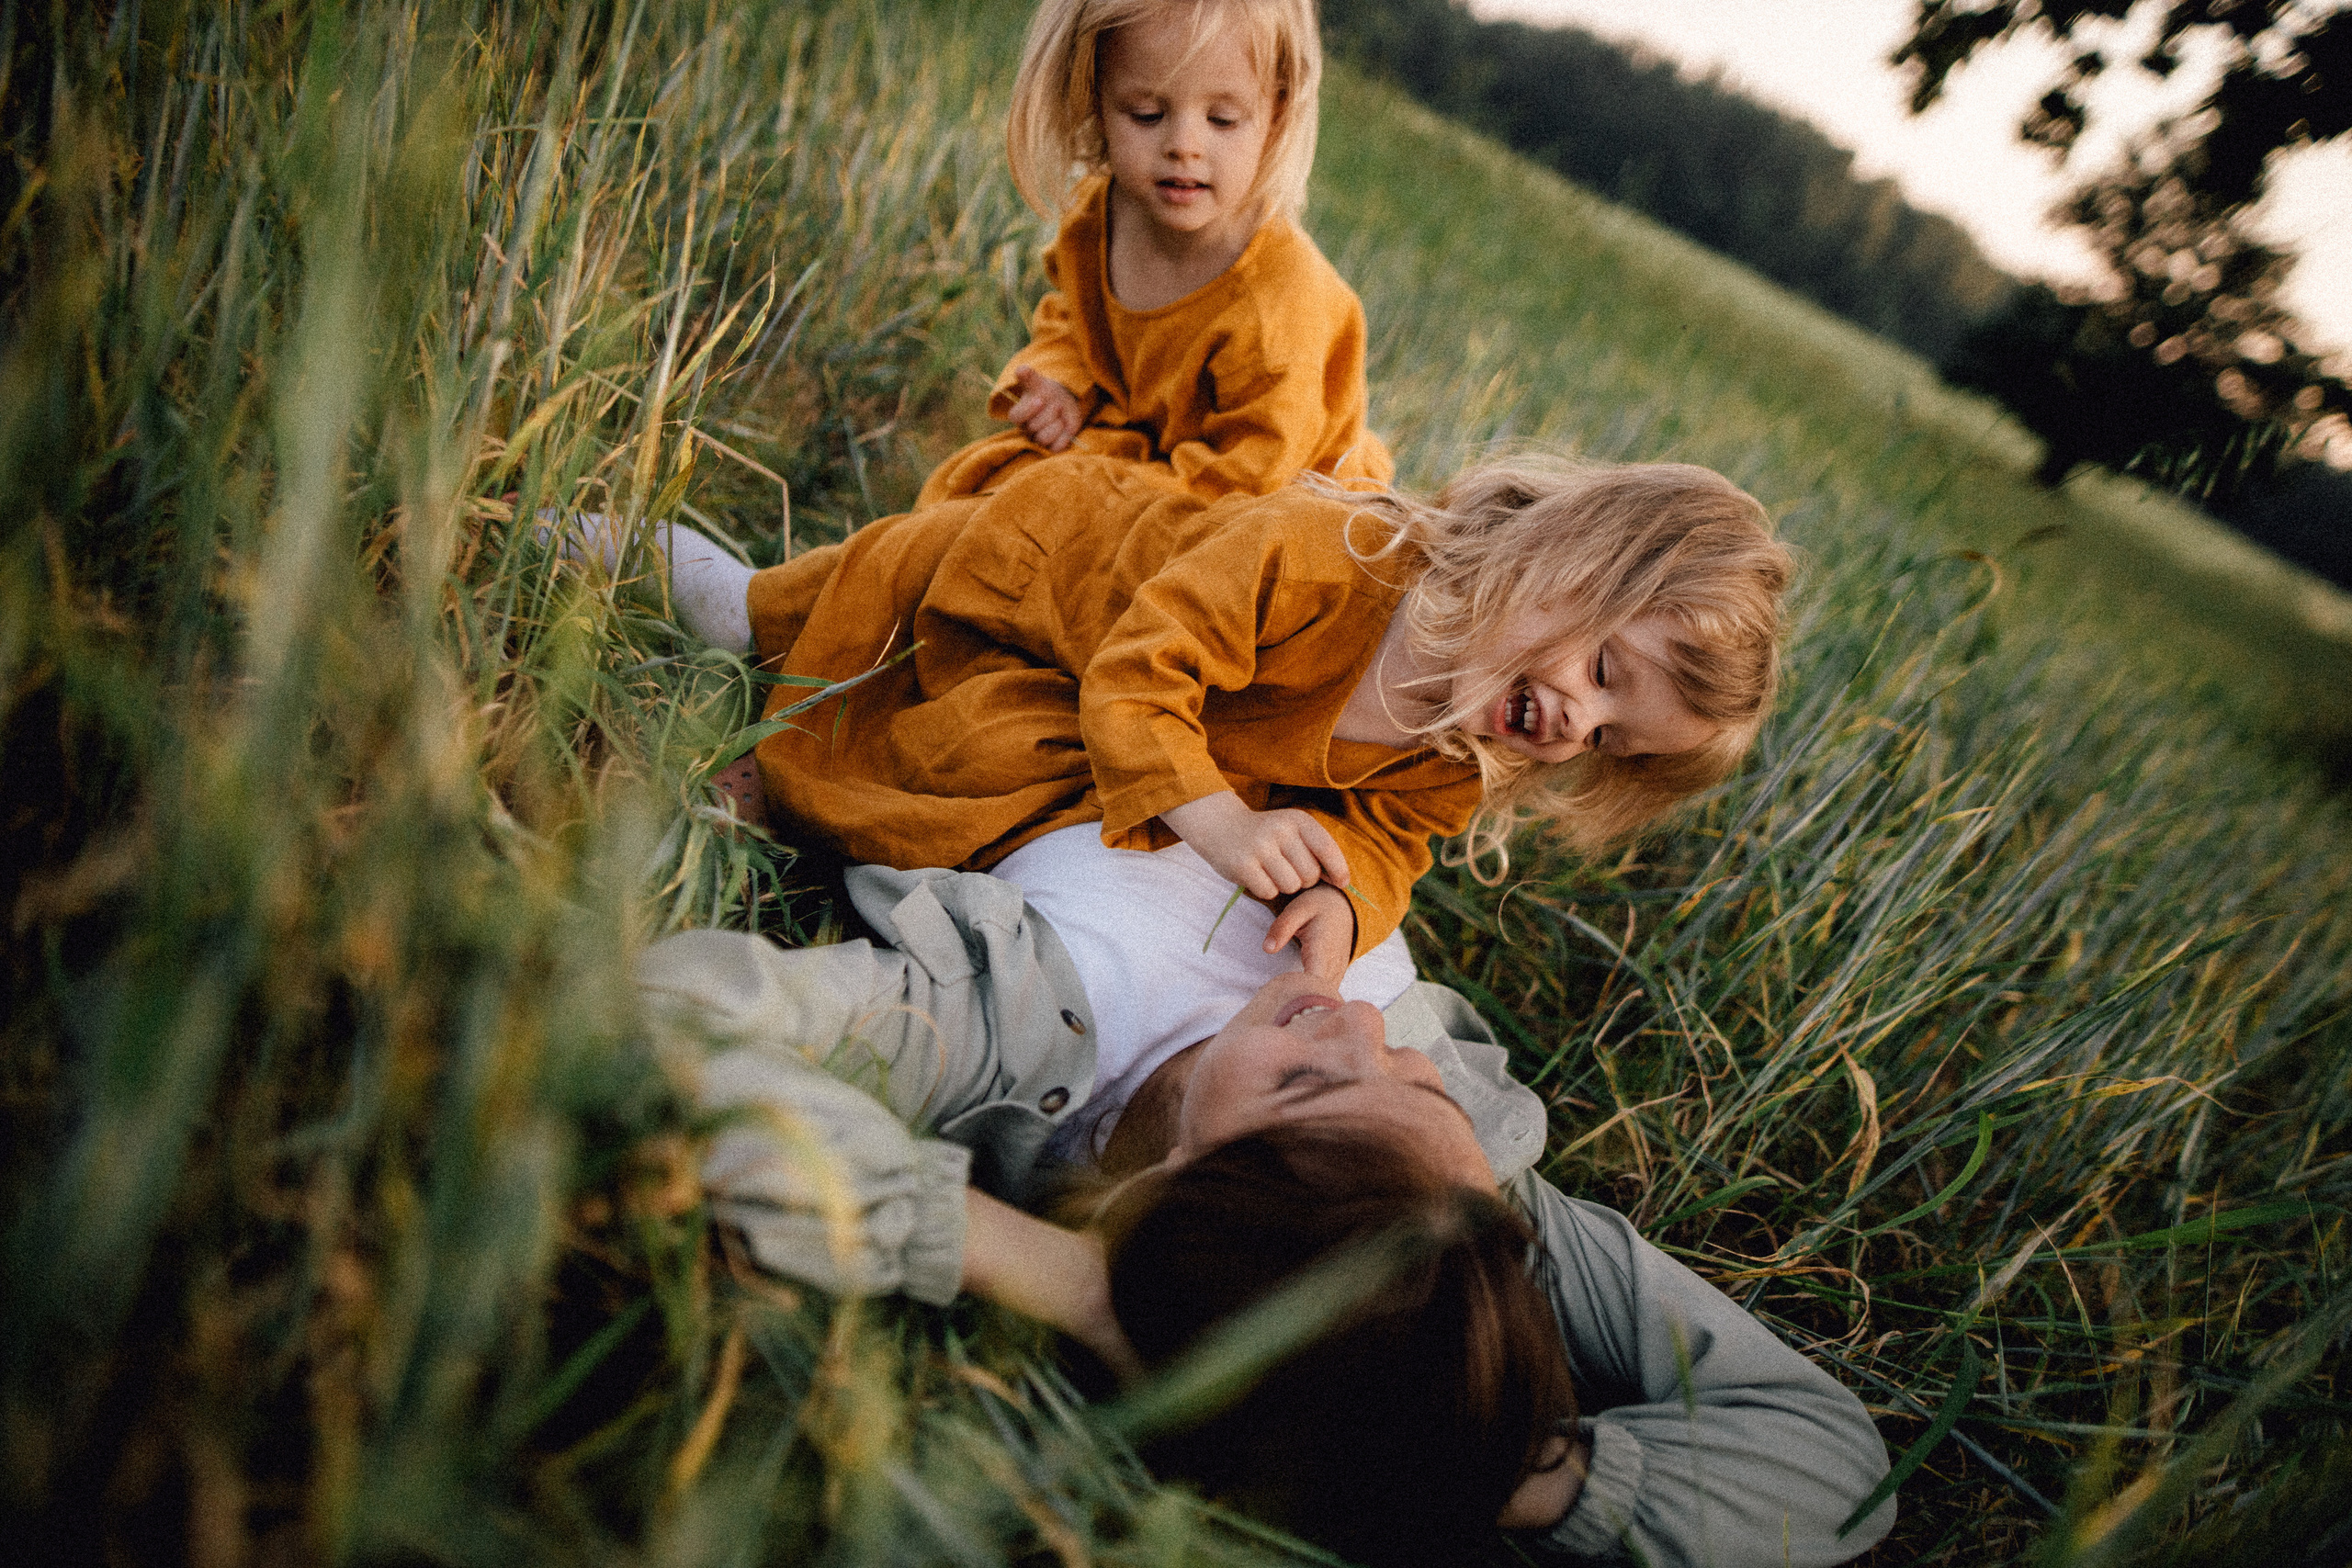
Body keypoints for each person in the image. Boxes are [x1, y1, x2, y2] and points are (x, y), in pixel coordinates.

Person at [639, 858, 1897, 1565]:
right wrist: (1462, 1449)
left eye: (1303, 1083)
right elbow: (1832, 1468)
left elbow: (652, 1023)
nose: (1353, 1012)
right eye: (1406, 1069)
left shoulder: (1005, 1018)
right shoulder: (1470, 1194)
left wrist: (1055, 1268)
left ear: (1160, 1190)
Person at [732, 452, 1791, 980]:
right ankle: (642, 561)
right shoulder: (1332, 560)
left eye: (1610, 739)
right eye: (1603, 668)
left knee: (1006, 768)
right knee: (778, 617)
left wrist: (1347, 911)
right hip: (1037, 583)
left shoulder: (1467, 749)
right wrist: (1224, 825)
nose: (1576, 727)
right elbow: (1143, 679)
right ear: (1572, 554)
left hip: (1097, 715)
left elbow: (1388, 841)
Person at [916, 0, 1392, 505]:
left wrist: (1109, 505)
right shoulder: (1100, 217)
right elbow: (1075, 324)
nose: (1184, 145)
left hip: (1268, 501)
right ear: (1095, 97)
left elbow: (1248, 478)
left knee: (1059, 520)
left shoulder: (1279, 302)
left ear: (1274, 113)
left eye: (1223, 120)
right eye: (1147, 114)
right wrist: (1063, 388)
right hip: (1146, 460)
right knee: (980, 493)